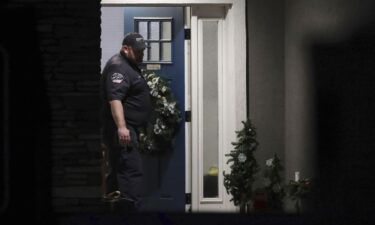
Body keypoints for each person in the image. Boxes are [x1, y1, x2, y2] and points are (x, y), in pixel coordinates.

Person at [100, 32, 151, 212]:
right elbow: (115, 99)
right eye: (138, 51)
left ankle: (121, 210)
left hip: (130, 128)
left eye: (143, 51)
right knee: (131, 171)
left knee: (123, 171)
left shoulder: (129, 64)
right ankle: (130, 212)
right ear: (125, 49)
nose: (142, 54)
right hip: (123, 130)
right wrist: (122, 127)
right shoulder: (118, 67)